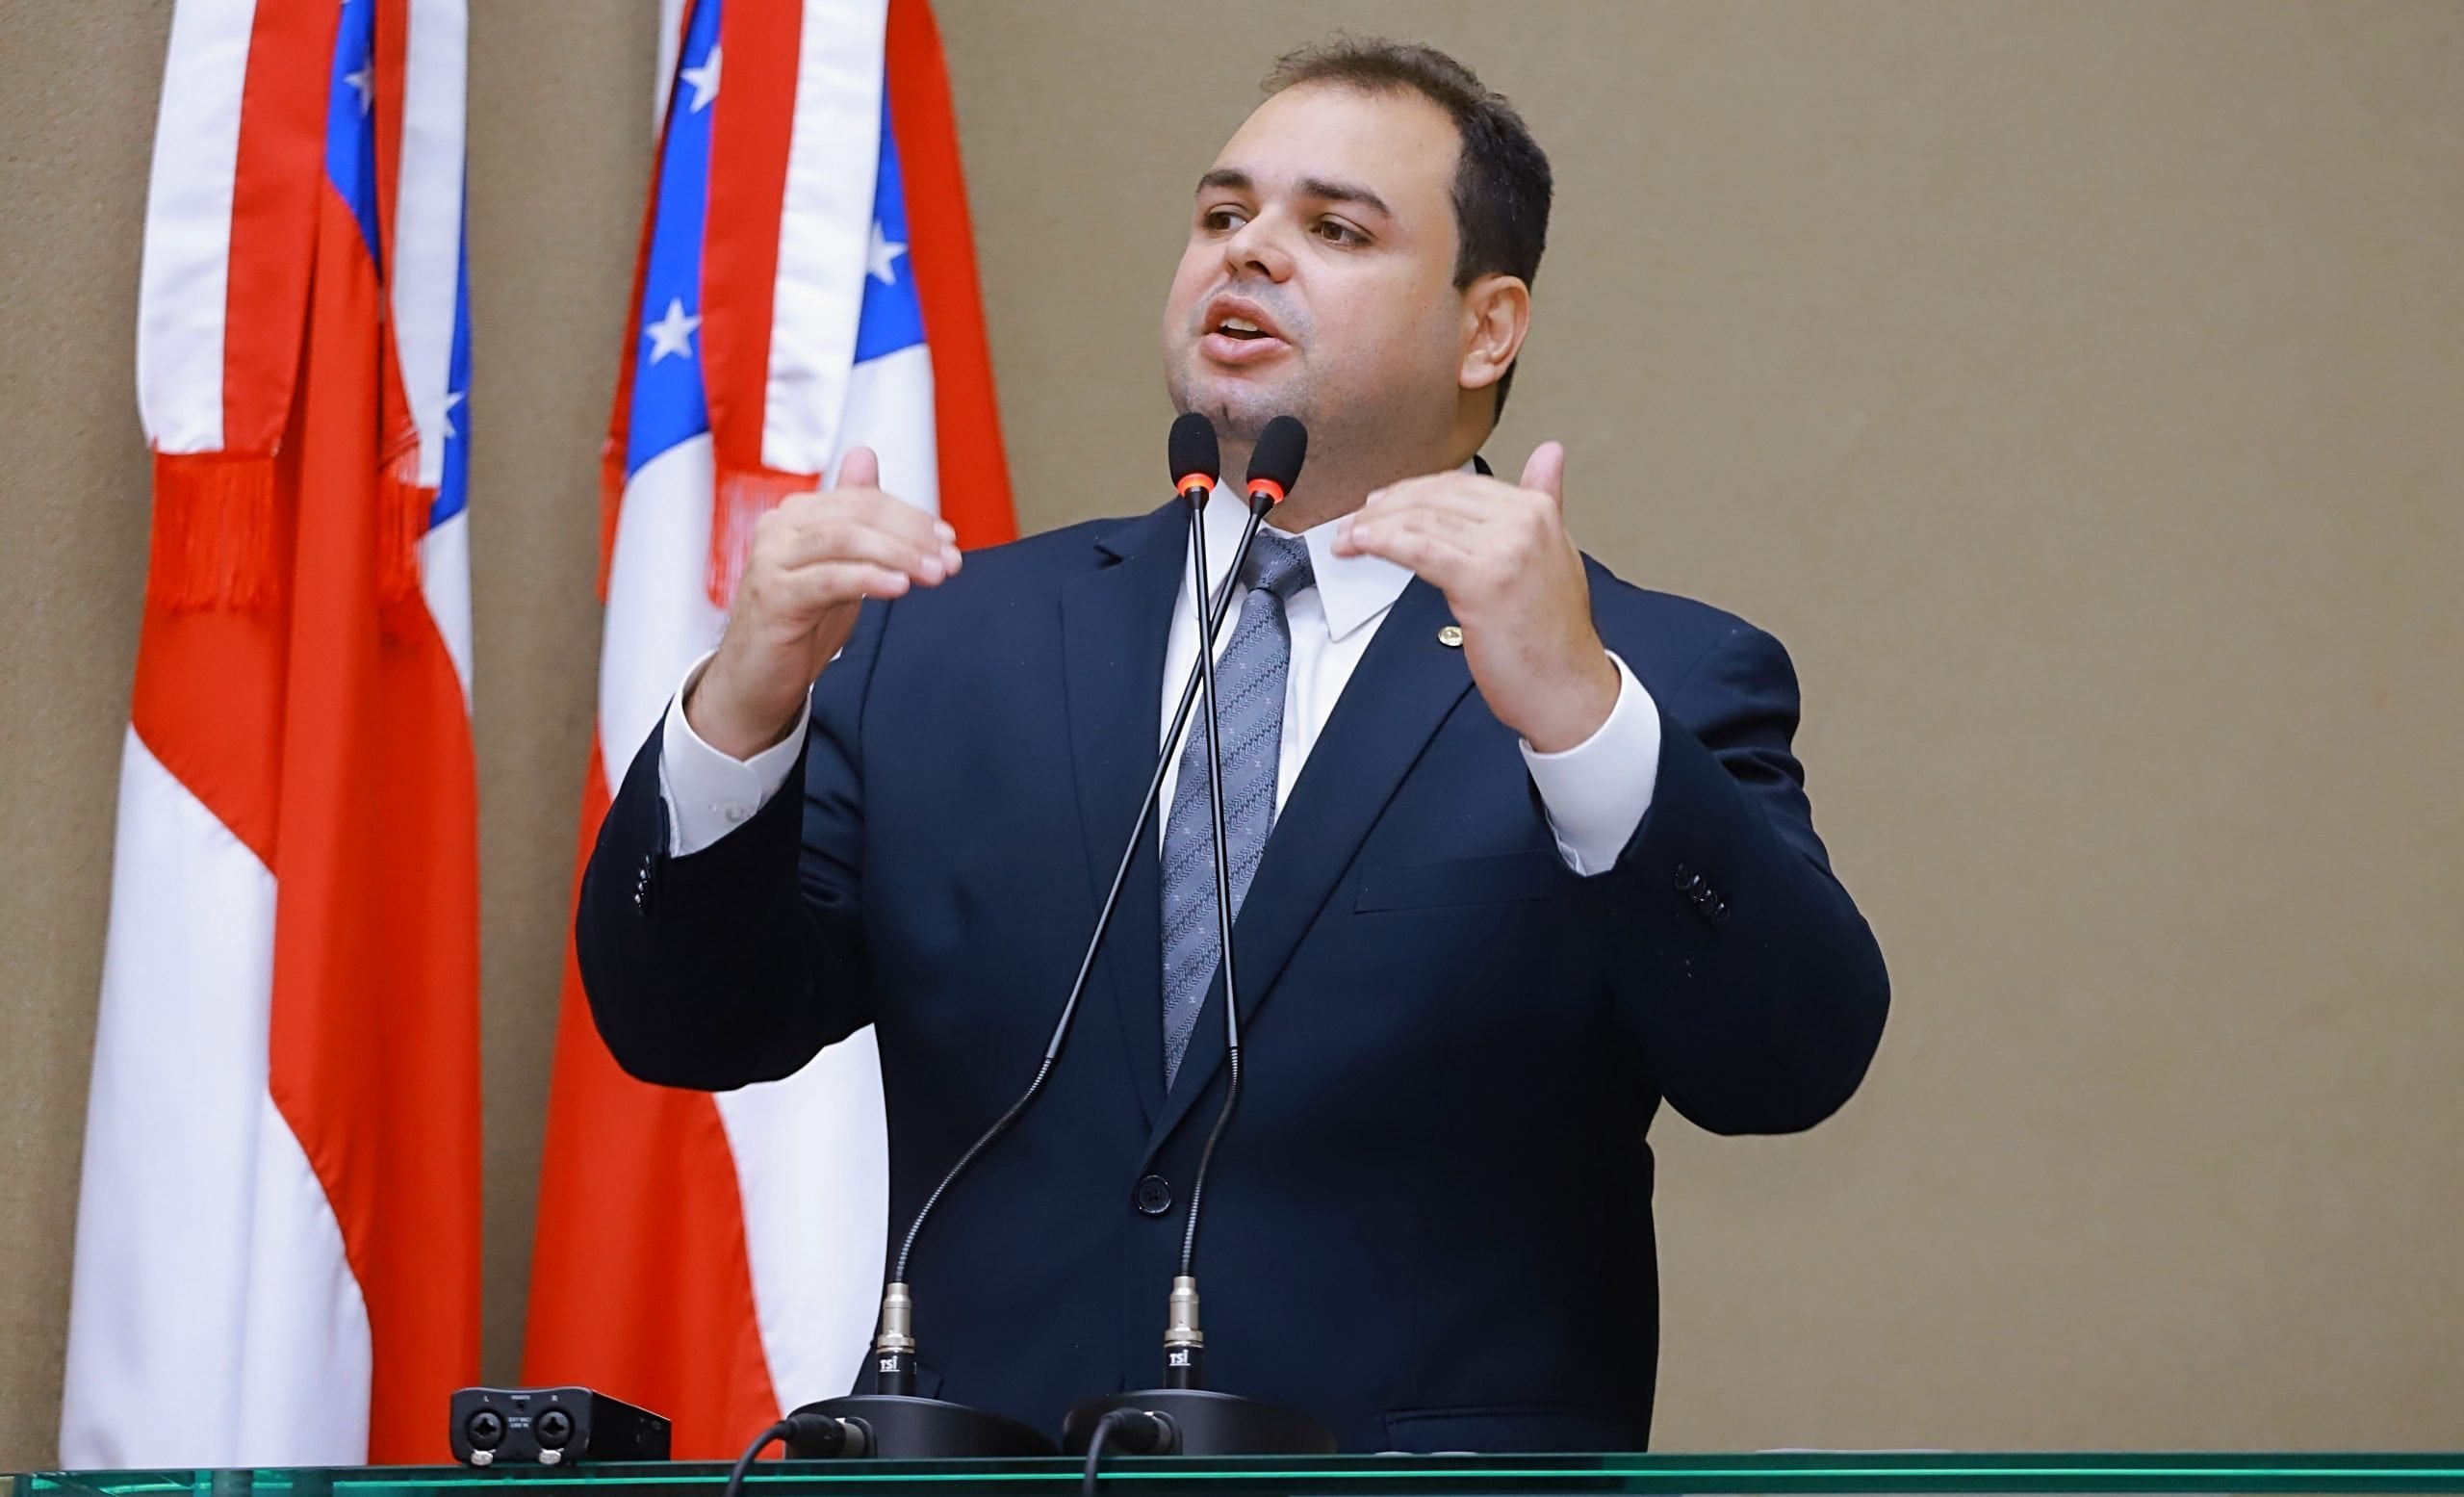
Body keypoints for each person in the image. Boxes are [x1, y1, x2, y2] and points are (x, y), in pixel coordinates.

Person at [578, 38, 1888, 1454]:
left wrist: (1580, 719)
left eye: (1335, 229)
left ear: (1487, 328)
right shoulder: (943, 642)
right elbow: (687, 1024)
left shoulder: (1649, 678)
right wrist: (743, 707)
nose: (1248, 250)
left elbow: (1787, 1063)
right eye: (1222, 214)